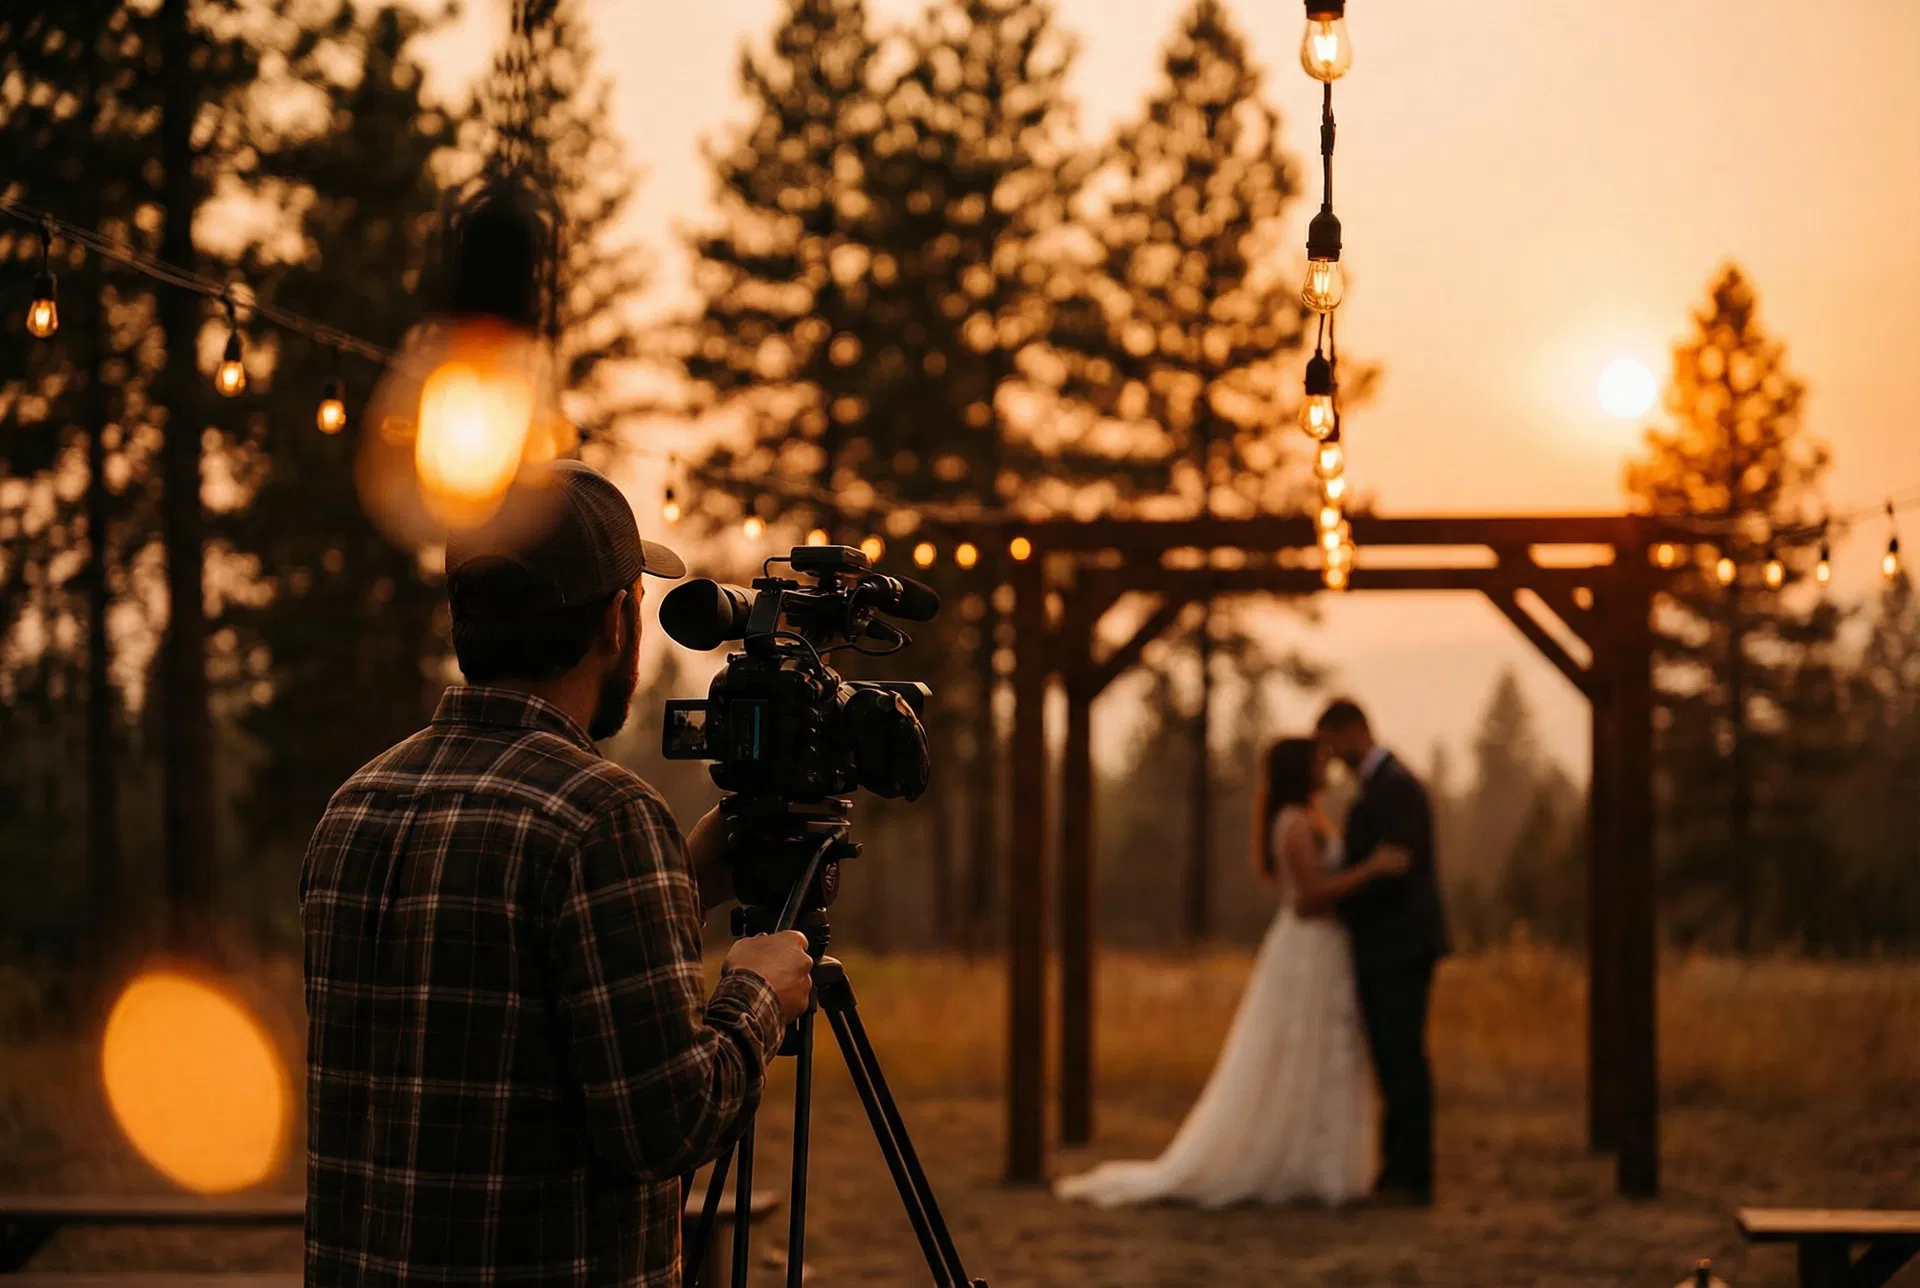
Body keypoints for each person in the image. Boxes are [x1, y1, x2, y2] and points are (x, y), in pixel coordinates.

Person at [301, 459, 815, 1288]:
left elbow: (488, 1004)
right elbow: (670, 1125)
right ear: (617, 620)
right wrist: (758, 992)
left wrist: (677, 885)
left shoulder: (355, 806)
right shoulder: (603, 816)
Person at [1052, 737, 1408, 1209]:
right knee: (1296, 1050)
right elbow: (1308, 899)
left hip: (1324, 949)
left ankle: (1319, 1164)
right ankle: (1296, 1162)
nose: (1326, 767)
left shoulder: (1306, 818)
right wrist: (1372, 870)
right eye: (1317, 760)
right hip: (1308, 949)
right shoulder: (1294, 822)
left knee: (1320, 1052)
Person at [1315, 697, 1449, 1207]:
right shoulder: (1383, 787)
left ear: (1352, 731)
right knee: (1391, 1058)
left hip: (1399, 945)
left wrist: (1342, 901)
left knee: (1402, 1057)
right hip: (1389, 946)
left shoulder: (1396, 788)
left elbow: (1397, 869)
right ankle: (1399, 1170)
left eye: (1331, 744)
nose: (1330, 757)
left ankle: (1410, 1176)